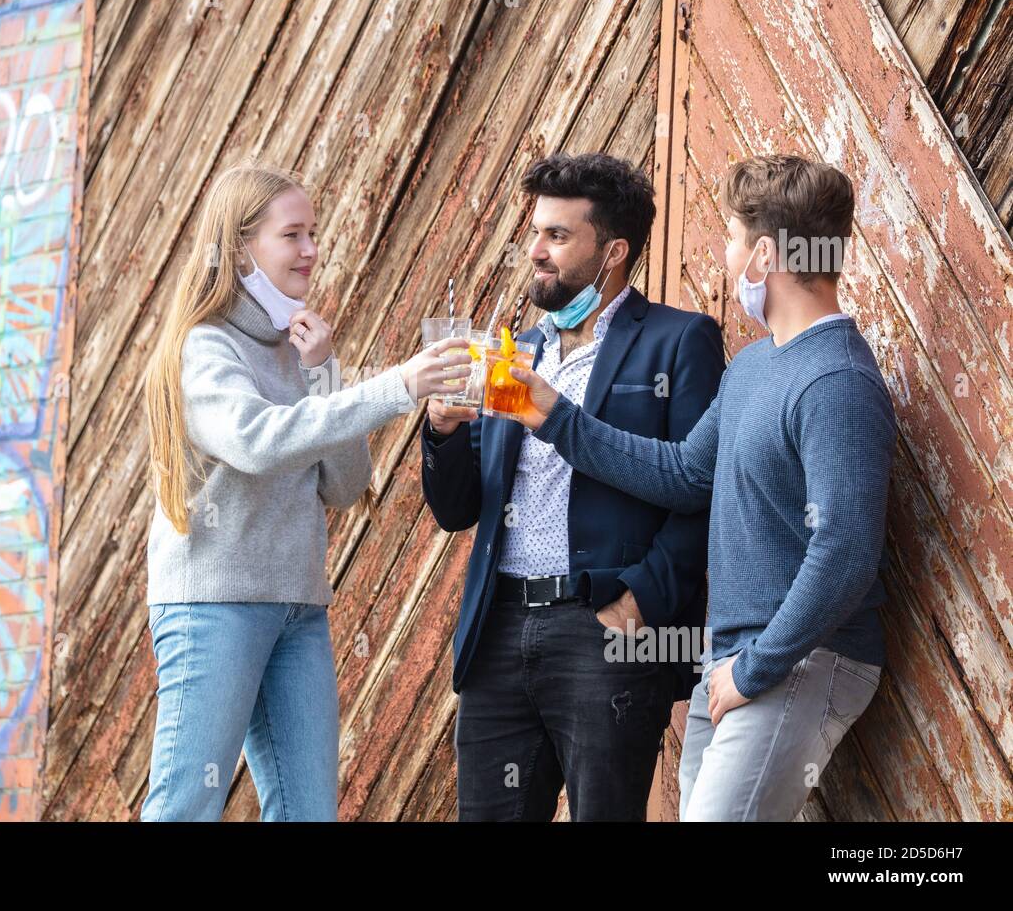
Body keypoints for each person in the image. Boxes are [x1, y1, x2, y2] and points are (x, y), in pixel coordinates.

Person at [507, 154, 897, 821]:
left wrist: (755, 668)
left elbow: (847, 550)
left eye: (735, 236)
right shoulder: (754, 365)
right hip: (737, 661)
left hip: (801, 661)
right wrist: (557, 418)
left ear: (765, 255)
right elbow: (683, 474)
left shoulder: (837, 382)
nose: (727, 250)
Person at [140, 163, 471, 821]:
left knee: (307, 812)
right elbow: (258, 441)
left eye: (313, 233)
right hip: (215, 605)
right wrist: (395, 387)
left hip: (297, 612)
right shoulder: (205, 349)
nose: (312, 250)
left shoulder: (297, 352)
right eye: (293, 234)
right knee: (188, 806)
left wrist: (325, 372)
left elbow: (346, 485)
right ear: (240, 250)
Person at [421, 152, 724, 820]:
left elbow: (701, 491)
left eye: (558, 235)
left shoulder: (679, 342)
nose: (536, 251)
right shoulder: (515, 352)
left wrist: (640, 602)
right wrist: (442, 433)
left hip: (606, 630)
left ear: (613, 251)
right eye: (536, 232)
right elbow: (457, 510)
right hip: (498, 627)